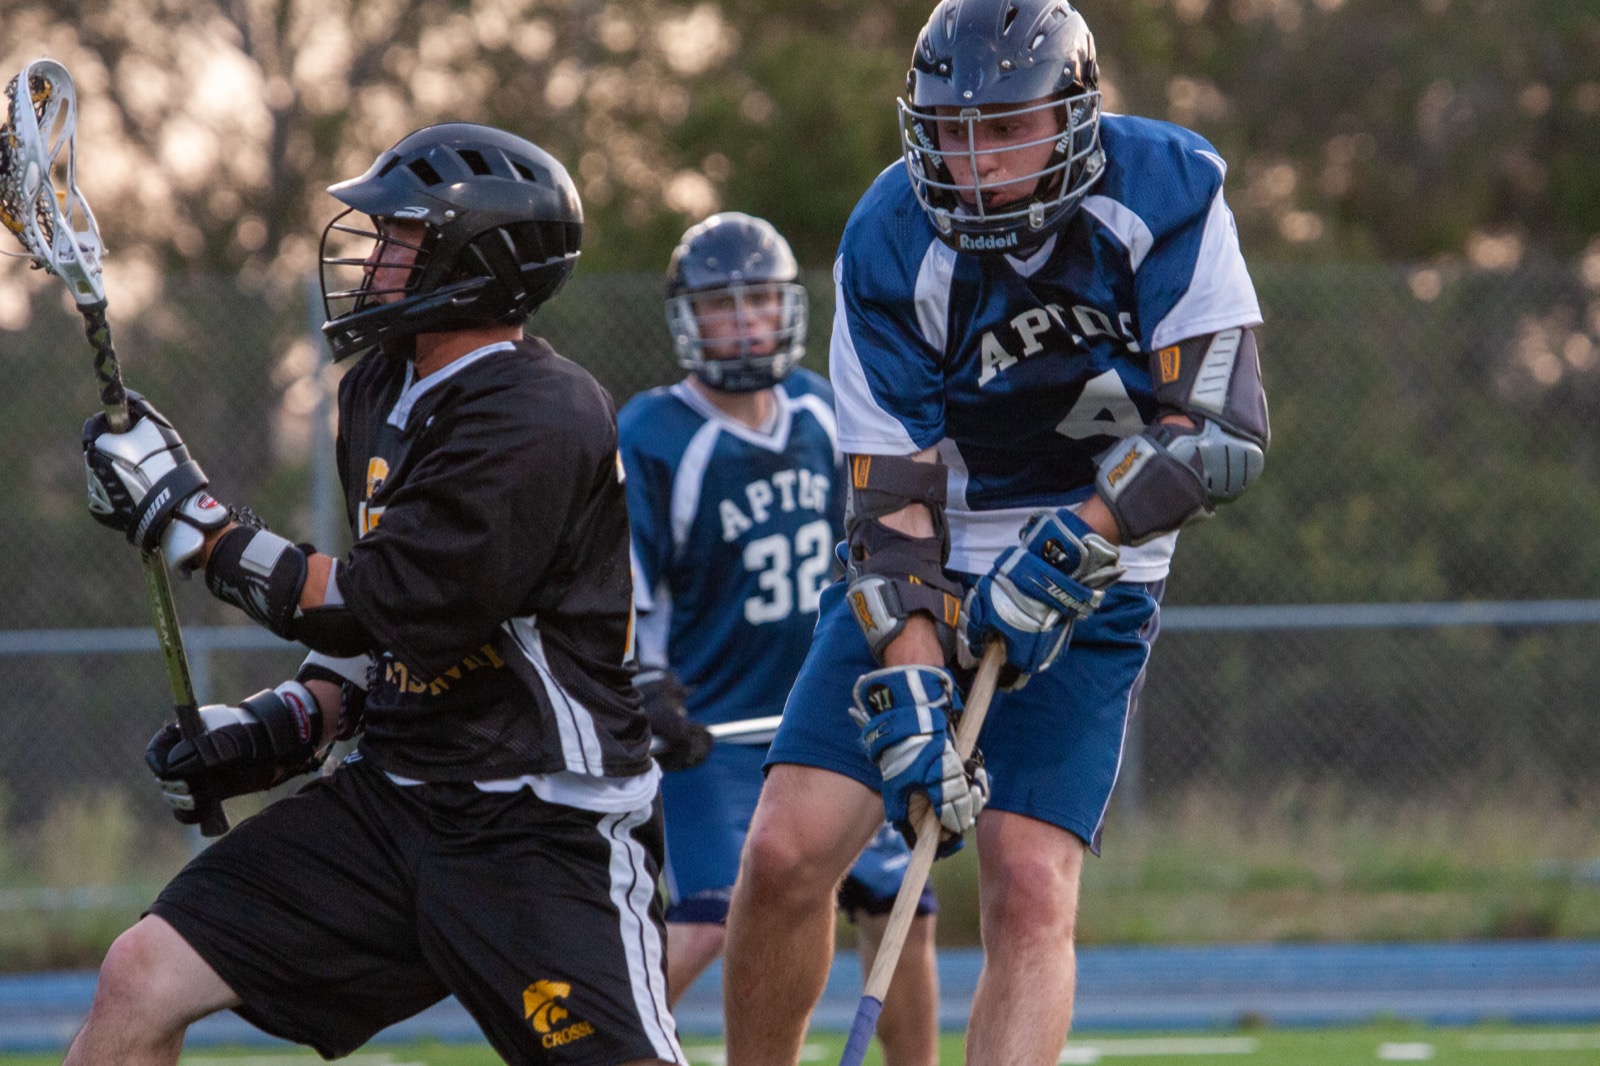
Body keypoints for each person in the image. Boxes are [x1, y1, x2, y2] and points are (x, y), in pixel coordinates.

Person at [721, 1, 1270, 1063]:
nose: (974, 163)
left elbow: (1220, 432)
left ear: (1073, 112)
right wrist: (920, 686)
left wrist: (1072, 545)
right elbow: (888, 506)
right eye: (950, 130)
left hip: (1106, 539)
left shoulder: (1165, 190)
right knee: (786, 849)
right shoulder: (889, 238)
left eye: (1005, 128)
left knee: (1025, 883)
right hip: (945, 532)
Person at [70, 123, 685, 1066]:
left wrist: (193, 525)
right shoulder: (381, 387)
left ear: (477, 261)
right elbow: (378, 641)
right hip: (397, 797)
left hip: (535, 819)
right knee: (142, 976)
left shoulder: (539, 415)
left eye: (401, 235)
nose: (374, 252)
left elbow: (382, 600)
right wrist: (289, 721)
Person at [618, 212, 940, 1066]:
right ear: (688, 318)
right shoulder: (657, 433)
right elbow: (631, 587)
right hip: (713, 733)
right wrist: (645, 685)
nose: (746, 323)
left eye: (760, 301)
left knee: (900, 906)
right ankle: (591, 1046)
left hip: (830, 713)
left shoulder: (820, 409)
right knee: (708, 921)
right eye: (723, 307)